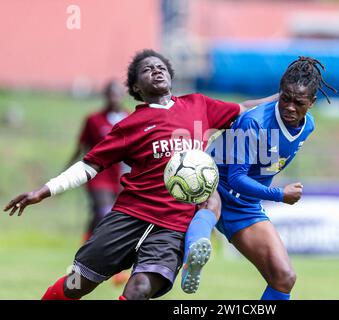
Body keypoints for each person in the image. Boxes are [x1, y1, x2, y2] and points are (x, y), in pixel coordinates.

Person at [3, 49, 277, 300]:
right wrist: (44, 190)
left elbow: (245, 108)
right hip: (129, 216)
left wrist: (282, 98)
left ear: (170, 75)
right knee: (77, 284)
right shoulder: (130, 125)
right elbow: (90, 165)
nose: (156, 71)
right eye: (147, 69)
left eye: (161, 67)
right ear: (135, 87)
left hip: (174, 225)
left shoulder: (198, 105)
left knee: (140, 289)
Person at [182, 56, 336, 299]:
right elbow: (236, 178)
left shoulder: (308, 125)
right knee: (210, 207)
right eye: (285, 98)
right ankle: (195, 248)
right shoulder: (254, 123)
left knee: (284, 277)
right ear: (279, 92)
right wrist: (279, 194)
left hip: (246, 203)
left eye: (299, 102)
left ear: (312, 103)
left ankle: (194, 246)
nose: (290, 107)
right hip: (214, 183)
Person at [67, 80, 128, 243]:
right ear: (105, 96)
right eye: (110, 94)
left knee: (107, 216)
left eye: (117, 94)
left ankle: (87, 246)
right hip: (97, 175)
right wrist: (67, 173)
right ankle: (102, 255)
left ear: (123, 95)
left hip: (121, 176)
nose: (114, 98)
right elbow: (81, 147)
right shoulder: (94, 120)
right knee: (104, 212)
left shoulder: (130, 118)